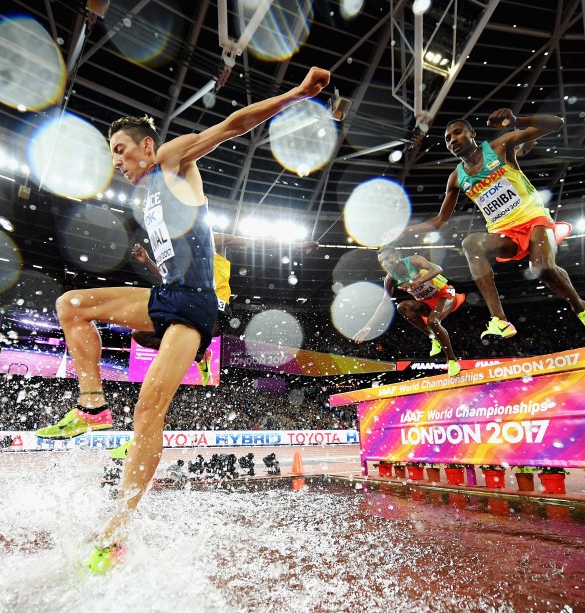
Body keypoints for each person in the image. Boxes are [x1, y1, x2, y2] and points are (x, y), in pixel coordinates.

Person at [36, 66, 331, 575]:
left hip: (195, 304)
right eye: (112, 155)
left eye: (121, 151)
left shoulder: (172, 159)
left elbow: (235, 124)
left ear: (148, 146)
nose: (117, 162)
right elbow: (181, 248)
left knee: (149, 414)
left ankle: (117, 531)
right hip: (169, 292)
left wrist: (299, 93)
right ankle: (91, 406)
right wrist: (152, 269)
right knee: (71, 306)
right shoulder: (145, 193)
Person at [393, 110, 585, 343]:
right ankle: (500, 320)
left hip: (534, 219)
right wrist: (404, 231)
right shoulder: (456, 178)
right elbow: (439, 221)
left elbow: (556, 123)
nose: (452, 139)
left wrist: (517, 120)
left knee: (543, 268)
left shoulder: (499, 147)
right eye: (447, 138)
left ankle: (581, 309)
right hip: (505, 233)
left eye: (457, 133)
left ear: (472, 134)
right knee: (471, 243)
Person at [126, 233, 319, 378]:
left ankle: (197, 350)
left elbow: (256, 243)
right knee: (138, 335)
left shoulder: (216, 241)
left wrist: (297, 246)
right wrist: (147, 261)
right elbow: (169, 278)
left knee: (207, 329)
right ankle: (195, 353)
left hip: (214, 308)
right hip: (188, 304)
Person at [355, 247, 465, 376]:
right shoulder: (390, 279)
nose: (385, 264)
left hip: (444, 295)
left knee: (433, 321)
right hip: (426, 302)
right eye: (382, 262)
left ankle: (452, 361)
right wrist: (368, 326)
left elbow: (437, 269)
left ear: (397, 255)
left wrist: (417, 282)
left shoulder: (414, 261)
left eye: (387, 258)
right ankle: (433, 336)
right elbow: (385, 304)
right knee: (402, 307)